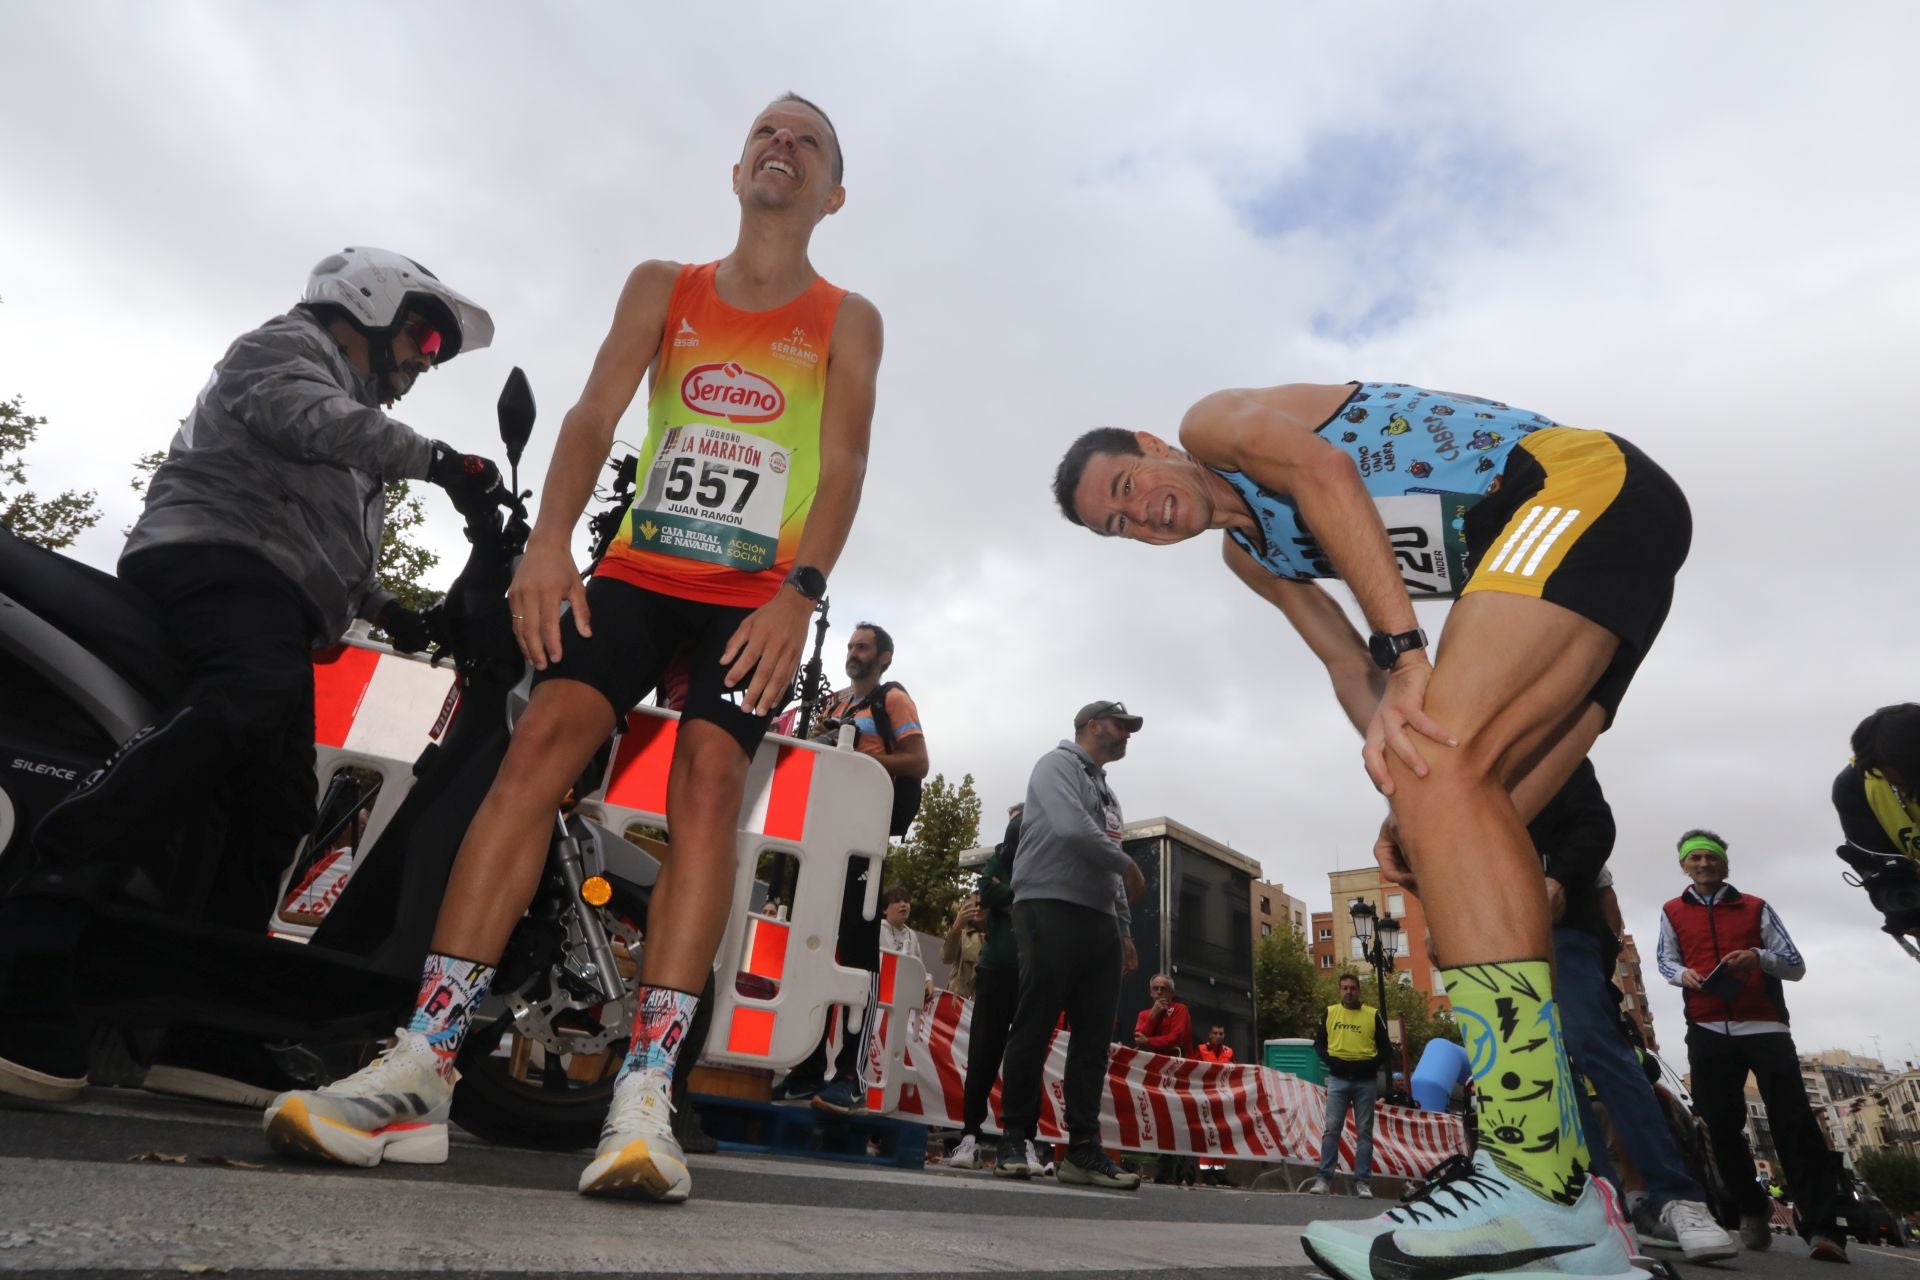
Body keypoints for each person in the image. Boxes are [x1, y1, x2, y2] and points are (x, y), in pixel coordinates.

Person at [263, 95, 883, 1207]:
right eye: (766, 132)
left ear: (833, 194)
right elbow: (595, 414)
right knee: (541, 741)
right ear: (735, 166)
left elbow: (840, 469)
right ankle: (424, 1064)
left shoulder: (847, 317)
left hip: (753, 595)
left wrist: (800, 593)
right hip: (641, 571)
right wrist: (549, 543)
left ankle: (645, 1089)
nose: (782, 145)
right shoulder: (664, 285)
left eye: (809, 140)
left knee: (707, 786)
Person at [1054, 382, 1693, 1276]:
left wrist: (1408, 654)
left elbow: (1325, 471)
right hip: (1599, 559)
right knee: (1453, 815)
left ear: (1157, 445)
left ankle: (1533, 1177)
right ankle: (1574, 1206)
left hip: (1577, 490)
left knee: (1441, 776)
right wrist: (1402, 790)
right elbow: (1342, 659)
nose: (1141, 516)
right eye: (1119, 528)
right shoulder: (1248, 554)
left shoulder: (1216, 425)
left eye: (1126, 487)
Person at [0, 246, 501, 1107]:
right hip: (209, 561)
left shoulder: (347, 421)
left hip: (269, 594)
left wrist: (397, 614)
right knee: (249, 698)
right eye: (422, 335)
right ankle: (39, 921)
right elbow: (298, 420)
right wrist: (444, 463)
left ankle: (202, 1024)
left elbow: (326, 547)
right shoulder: (284, 349)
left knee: (274, 808)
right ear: (369, 302)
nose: (423, 359)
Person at [1531, 763, 1735, 1262]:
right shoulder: (1465, 762)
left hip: (1565, 927)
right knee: (1547, 1067)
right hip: (1496, 933)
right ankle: (1603, 1206)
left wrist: (1565, 890)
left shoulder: (1558, 753)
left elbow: (1597, 834)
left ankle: (1678, 1199)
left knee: (1600, 1050)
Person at [1656, 830, 1850, 1261]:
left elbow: (1795, 966)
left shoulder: (1756, 907)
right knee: (1719, 1127)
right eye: (1696, 858)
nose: (1704, 864)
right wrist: (1680, 975)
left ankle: (1822, 1229)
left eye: (1712, 857)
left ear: (1725, 864)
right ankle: (1750, 1207)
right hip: (1707, 1027)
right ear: (1684, 865)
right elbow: (1665, 960)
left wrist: (1757, 956)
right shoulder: (1671, 911)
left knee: (1794, 1123)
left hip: (1765, 1028)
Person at [993, 701, 1147, 1191]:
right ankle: (1014, 1137)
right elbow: (1069, 827)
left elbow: (1107, 857)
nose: (1127, 735)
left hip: (1098, 918)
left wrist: (1123, 928)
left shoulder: (1109, 794)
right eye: (1121, 725)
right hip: (1048, 904)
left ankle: (1081, 1149)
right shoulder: (1055, 765)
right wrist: (1124, 864)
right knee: (1036, 1021)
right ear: (1092, 725)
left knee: (1094, 1039)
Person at [946, 804, 1024, 1171]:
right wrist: (1017, 895)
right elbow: (986, 894)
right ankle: (970, 1135)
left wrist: (1005, 894)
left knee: (1026, 1060)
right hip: (995, 971)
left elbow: (1006, 895)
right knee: (982, 1053)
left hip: (1029, 973)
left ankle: (1021, 1139)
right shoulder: (999, 856)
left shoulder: (1042, 858)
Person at [814, 622, 927, 837]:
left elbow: (920, 763)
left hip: (867, 816)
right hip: (826, 808)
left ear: (884, 658)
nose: (852, 654)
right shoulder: (834, 707)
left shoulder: (893, 699)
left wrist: (857, 758)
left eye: (862, 647)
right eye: (850, 647)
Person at [1308, 973, 1391, 1199]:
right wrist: (1334, 1063)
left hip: (1366, 1079)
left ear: (1359, 990)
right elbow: (1319, 1044)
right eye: (1345, 988)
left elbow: (1386, 1049)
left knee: (1364, 1132)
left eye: (1352, 988)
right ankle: (1324, 1178)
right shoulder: (1330, 1012)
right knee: (1332, 1129)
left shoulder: (1373, 1015)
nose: (1349, 992)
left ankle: (1363, 1182)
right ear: (1339, 989)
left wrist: (1368, 1065)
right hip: (1338, 1078)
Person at [1133, 973, 1194, 1057]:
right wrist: (1152, 1016)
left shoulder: (1180, 1009)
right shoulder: (1143, 1014)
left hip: (1178, 1063)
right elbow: (1139, 1040)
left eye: (1163, 989)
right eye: (1155, 988)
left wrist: (1148, 1041)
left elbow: (1176, 1038)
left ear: (1171, 993)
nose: (1159, 992)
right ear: (1151, 992)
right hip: (1153, 1063)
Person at [942, 891, 984, 998]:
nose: (977, 909)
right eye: (973, 905)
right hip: (956, 1003)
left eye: (982, 905)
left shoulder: (999, 937)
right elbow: (946, 958)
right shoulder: (962, 933)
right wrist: (957, 925)